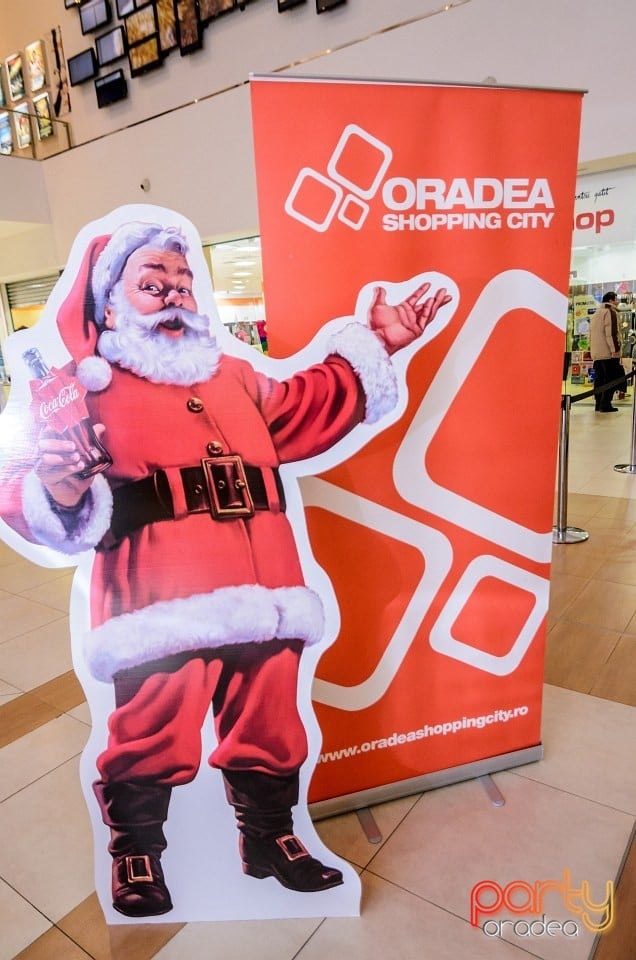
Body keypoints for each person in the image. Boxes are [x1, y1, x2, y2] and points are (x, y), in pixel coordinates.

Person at [0, 217, 451, 919]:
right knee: (152, 725)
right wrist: (56, 488)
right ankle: (136, 850)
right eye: (153, 284)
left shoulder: (231, 375)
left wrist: (377, 343)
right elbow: (21, 486)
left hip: (267, 584)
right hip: (158, 595)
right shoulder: (76, 392)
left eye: (183, 283)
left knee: (272, 720)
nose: (174, 296)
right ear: (109, 306)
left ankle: (270, 838)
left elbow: (303, 407)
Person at [590, 291, 622, 412]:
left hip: (597, 353)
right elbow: (611, 333)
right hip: (608, 353)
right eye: (616, 299)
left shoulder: (596, 313)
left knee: (599, 379)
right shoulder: (610, 312)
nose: (617, 302)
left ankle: (598, 404)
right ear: (610, 300)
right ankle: (605, 404)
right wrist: (615, 350)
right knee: (611, 379)